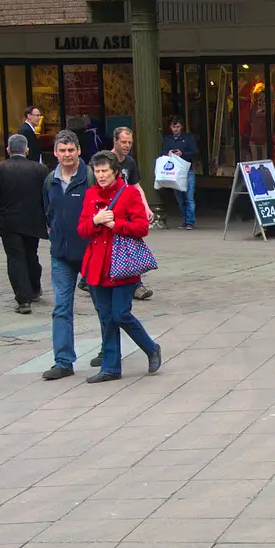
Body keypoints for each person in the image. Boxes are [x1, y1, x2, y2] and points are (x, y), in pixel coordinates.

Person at [77, 151, 161, 383]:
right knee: (106, 317)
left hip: (122, 264)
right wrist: (95, 221)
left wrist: (116, 224)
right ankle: (111, 367)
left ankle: (151, 348)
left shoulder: (130, 193)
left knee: (120, 314)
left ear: (115, 171)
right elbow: (82, 229)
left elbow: (142, 228)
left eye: (105, 170)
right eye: (97, 171)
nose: (101, 175)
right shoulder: (91, 194)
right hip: (96, 265)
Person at [41, 131, 89, 380]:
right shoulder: (50, 180)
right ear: (56, 153)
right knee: (61, 308)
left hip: (90, 252)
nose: (67, 155)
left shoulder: (91, 177)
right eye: (62, 150)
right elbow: (47, 212)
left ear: (79, 150)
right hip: (60, 253)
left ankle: (109, 353)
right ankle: (63, 361)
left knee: (104, 306)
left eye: (71, 150)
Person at [0, 134, 49, 313]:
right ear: (27, 149)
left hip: (9, 222)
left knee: (15, 258)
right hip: (33, 221)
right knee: (31, 255)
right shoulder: (40, 169)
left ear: (8, 149)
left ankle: (23, 299)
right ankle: (34, 288)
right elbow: (45, 198)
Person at [107, 126, 151, 302]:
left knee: (131, 247)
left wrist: (146, 207)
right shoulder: (105, 160)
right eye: (123, 142)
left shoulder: (130, 163)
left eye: (129, 143)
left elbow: (135, 186)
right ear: (115, 141)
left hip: (128, 214)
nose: (126, 146)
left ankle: (136, 285)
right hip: (110, 213)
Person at [160, 116, 200, 230]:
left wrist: (182, 153)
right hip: (174, 172)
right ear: (170, 127)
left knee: (189, 197)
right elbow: (162, 152)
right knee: (179, 198)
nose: (176, 129)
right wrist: (167, 153)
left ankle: (190, 222)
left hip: (187, 170)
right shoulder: (167, 139)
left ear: (182, 127)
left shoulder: (188, 138)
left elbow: (195, 152)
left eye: (178, 127)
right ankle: (186, 219)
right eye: (174, 127)